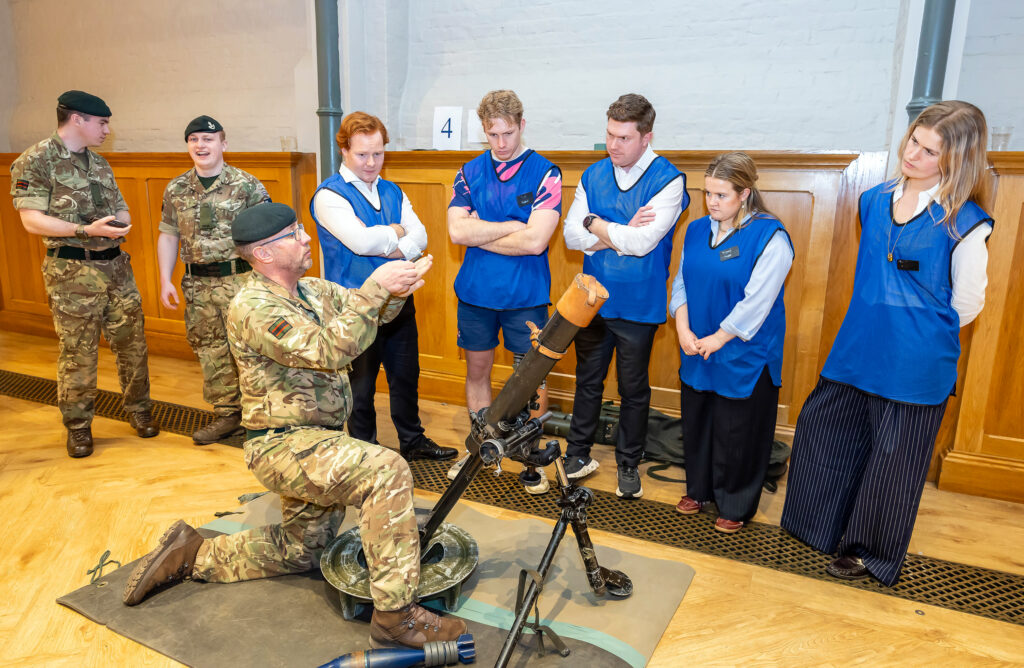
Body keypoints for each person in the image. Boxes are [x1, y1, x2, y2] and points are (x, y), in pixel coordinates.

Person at [122, 203, 466, 648]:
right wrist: (375, 289)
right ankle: (395, 617)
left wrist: (395, 290)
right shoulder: (253, 306)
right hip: (282, 446)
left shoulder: (312, 290)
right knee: (387, 471)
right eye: (294, 234)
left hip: (318, 440)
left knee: (304, 550)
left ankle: (195, 554)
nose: (306, 239)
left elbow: (370, 315)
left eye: (301, 229)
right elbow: (328, 350)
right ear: (264, 253)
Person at [781, 101, 993, 585]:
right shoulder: (873, 200)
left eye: (930, 151)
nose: (913, 154)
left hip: (915, 363)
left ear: (956, 160)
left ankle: (867, 553)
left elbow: (967, 304)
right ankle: (820, 527)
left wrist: (916, 331)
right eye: (914, 140)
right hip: (858, 347)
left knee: (894, 463)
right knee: (823, 429)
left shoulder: (966, 222)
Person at [9, 90, 159, 458]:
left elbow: (121, 208)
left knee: (133, 345)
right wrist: (85, 230)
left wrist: (119, 224)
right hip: (71, 271)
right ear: (77, 119)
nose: (107, 130)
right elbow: (31, 220)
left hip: (116, 267)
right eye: (102, 123)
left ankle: (140, 411)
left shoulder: (100, 163)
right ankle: (78, 427)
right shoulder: (35, 160)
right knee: (78, 352)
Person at [561, 93, 687, 499]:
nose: (613, 145)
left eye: (624, 138)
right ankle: (577, 455)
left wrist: (595, 223)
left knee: (633, 389)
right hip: (593, 299)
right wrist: (617, 232)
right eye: (609, 135)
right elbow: (570, 236)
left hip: (638, 303)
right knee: (588, 381)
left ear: (646, 137)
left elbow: (642, 242)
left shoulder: (669, 180)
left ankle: (628, 462)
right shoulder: (594, 174)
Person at [311, 111, 455, 462]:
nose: (371, 162)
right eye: (362, 154)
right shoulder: (329, 195)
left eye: (378, 153)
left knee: (405, 376)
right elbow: (361, 243)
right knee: (360, 385)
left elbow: (421, 238)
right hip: (354, 304)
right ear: (344, 150)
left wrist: (389, 241)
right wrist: (398, 233)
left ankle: (412, 440)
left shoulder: (392, 190)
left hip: (399, 298)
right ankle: (365, 449)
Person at [446, 89, 562, 493]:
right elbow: (456, 231)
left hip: (525, 297)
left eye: (508, 133)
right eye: (492, 134)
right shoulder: (468, 172)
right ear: (484, 130)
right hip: (475, 295)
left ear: (521, 125)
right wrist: (513, 226)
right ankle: (481, 451)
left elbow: (536, 241)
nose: (501, 143)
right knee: (477, 372)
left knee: (530, 380)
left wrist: (480, 231)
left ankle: (531, 459)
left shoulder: (546, 173)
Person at [670, 152, 793, 532]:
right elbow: (682, 282)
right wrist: (682, 327)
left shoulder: (771, 237)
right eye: (708, 193)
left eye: (721, 195)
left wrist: (720, 337)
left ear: (744, 194)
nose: (712, 202)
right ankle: (699, 489)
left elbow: (758, 301)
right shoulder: (696, 230)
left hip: (744, 351)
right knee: (699, 421)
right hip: (697, 345)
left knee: (737, 430)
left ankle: (735, 502)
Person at [157, 115, 271, 444]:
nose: (200, 145)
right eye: (193, 139)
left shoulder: (246, 185)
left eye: (208, 139)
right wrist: (165, 279)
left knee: (251, 348)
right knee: (210, 350)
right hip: (197, 285)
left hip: (240, 281)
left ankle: (262, 417)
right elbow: (168, 235)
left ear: (223, 143)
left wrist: (270, 282)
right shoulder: (176, 188)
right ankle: (227, 415)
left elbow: (268, 236)